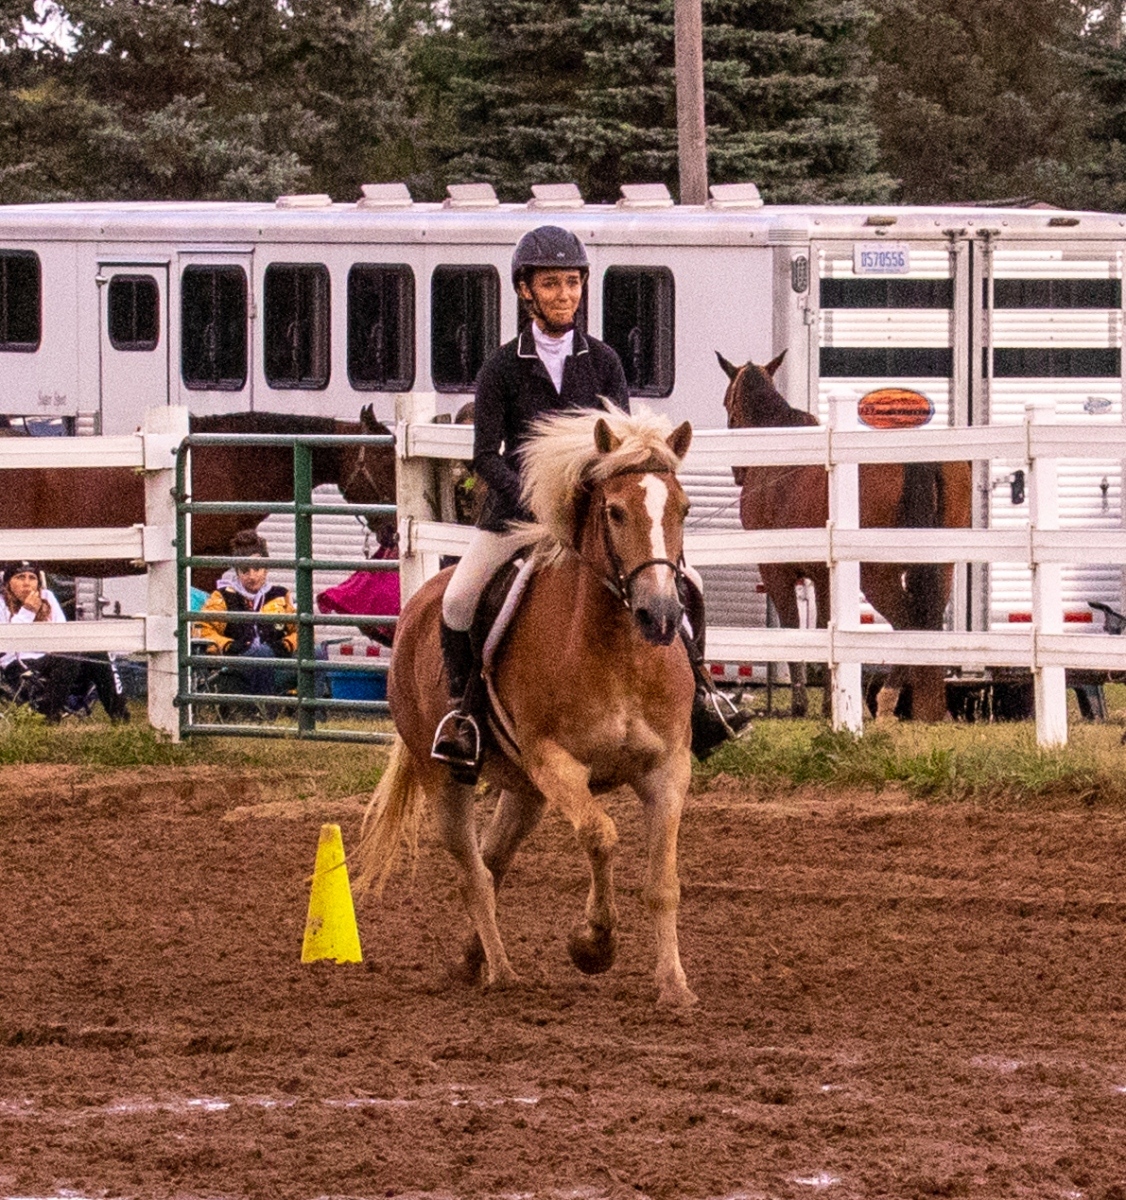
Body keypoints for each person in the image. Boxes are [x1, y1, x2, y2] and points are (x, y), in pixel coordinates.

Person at [431, 225, 749, 778]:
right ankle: (466, 716)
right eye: (551, 284)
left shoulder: (604, 362)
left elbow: (622, 451)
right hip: (519, 517)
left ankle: (704, 697)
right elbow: (485, 456)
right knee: (458, 600)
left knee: (689, 583)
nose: (564, 295)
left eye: (572, 283)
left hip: (596, 521)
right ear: (526, 291)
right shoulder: (501, 367)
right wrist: (533, 501)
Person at [0, 560, 129, 722]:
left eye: (32, 578)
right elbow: (5, 643)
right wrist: (28, 611)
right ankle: (48, 717)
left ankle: (120, 717)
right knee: (68, 654)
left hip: (55, 660)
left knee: (97, 653)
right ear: (8, 583)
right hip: (18, 665)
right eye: (20, 577)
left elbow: (62, 635)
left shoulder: (47, 597)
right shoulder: (1, 604)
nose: (27, 583)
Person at [195, 531, 297, 698]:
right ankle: (265, 706)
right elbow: (203, 630)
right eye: (244, 570)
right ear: (236, 571)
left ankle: (311, 709)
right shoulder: (222, 597)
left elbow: (302, 630)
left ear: (266, 568)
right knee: (263, 654)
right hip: (238, 665)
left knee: (317, 653)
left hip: (276, 662)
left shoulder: (281, 594)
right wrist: (227, 645)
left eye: (257, 568)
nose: (252, 576)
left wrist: (287, 644)